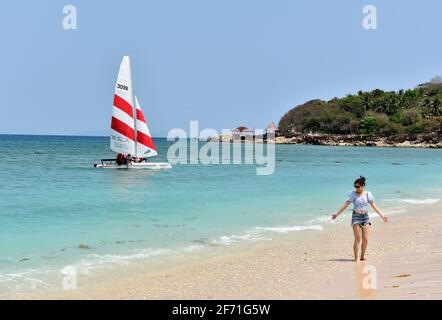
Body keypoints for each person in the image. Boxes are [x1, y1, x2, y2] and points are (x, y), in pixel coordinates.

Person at [331, 176, 389, 262]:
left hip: (365, 217)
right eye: (355, 186)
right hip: (356, 217)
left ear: (363, 186)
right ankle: (356, 258)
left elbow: (374, 205)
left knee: (365, 239)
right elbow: (346, 204)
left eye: (358, 186)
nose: (356, 188)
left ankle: (362, 256)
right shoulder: (352, 194)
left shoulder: (368, 194)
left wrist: (382, 216)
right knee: (358, 239)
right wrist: (336, 214)